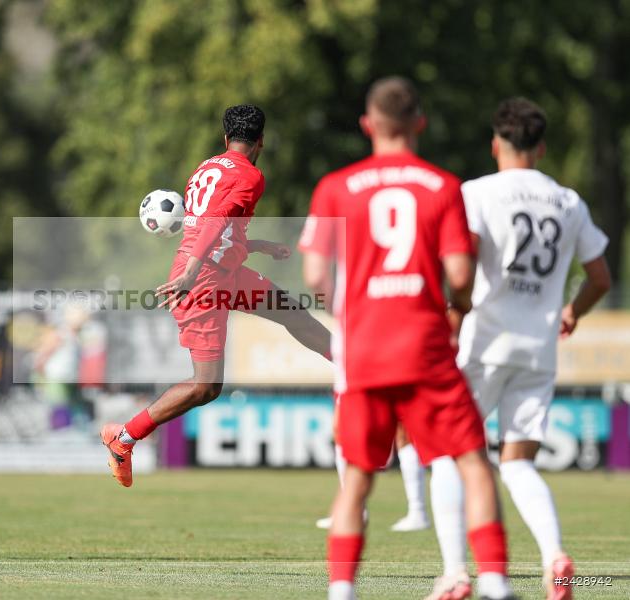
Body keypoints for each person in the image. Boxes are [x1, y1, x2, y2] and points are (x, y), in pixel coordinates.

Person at [298, 77, 513, 600]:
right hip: (424, 346)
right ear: (419, 123)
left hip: (365, 349)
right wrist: (457, 310)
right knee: (472, 463)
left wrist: (346, 309)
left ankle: (342, 591)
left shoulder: (334, 185)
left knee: (357, 477)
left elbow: (313, 274)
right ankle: (492, 583)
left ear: (368, 125)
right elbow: (460, 275)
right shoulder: (442, 186)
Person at [430, 97, 611, 600]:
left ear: (495, 144)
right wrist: (572, 311)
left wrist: (452, 314)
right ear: (543, 146)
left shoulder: (478, 193)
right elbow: (600, 276)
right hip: (538, 348)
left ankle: (455, 573)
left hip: (483, 340)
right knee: (517, 463)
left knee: (446, 453)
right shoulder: (570, 202)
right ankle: (554, 556)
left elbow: (460, 266)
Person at [100, 104, 333, 487]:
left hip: (222, 272)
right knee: (207, 385)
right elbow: (216, 222)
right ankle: (122, 437)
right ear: (261, 141)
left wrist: (257, 245)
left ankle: (351, 366)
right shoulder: (251, 175)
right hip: (202, 279)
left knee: (292, 312)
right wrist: (191, 273)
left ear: (226, 139)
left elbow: (214, 229)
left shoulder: (204, 169)